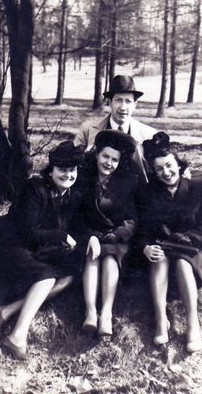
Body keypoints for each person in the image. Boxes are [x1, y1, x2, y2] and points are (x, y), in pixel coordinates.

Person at [0, 141, 84, 359]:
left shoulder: (70, 195)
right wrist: (61, 236)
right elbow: (27, 230)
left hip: (33, 247)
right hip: (7, 243)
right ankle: (17, 336)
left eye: (72, 170)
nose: (68, 175)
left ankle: (5, 312)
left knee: (69, 275)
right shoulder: (35, 188)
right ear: (51, 170)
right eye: (62, 170)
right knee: (47, 277)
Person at [140, 132, 202, 353]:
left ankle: (193, 324)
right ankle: (160, 319)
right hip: (163, 245)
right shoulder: (148, 193)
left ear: (178, 164)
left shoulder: (201, 187)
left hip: (194, 246)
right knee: (158, 259)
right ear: (153, 173)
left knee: (183, 263)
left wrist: (188, 237)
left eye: (169, 165)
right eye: (159, 169)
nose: (166, 172)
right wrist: (145, 247)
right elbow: (142, 228)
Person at [79, 130, 138, 336]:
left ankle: (106, 314)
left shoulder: (127, 182)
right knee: (92, 255)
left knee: (111, 258)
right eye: (105, 156)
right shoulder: (83, 178)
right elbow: (75, 215)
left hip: (116, 237)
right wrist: (90, 236)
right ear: (96, 155)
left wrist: (120, 233)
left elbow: (133, 218)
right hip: (90, 234)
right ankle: (90, 312)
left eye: (115, 160)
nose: (109, 163)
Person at [74, 75, 157, 182]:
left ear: (135, 104)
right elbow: (73, 161)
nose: (123, 107)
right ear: (110, 102)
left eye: (128, 101)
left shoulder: (148, 134)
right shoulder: (88, 129)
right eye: (118, 100)